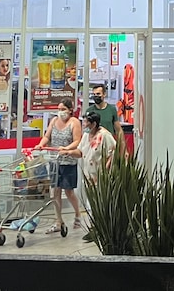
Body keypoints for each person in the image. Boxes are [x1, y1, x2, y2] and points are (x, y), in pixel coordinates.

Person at [33, 98, 83, 233]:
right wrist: (41, 144)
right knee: (55, 192)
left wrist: (66, 149)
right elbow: (47, 136)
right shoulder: (54, 121)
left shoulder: (74, 122)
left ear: (70, 110)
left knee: (68, 191)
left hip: (68, 161)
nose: (60, 112)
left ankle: (77, 213)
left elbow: (77, 141)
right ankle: (58, 221)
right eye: (59, 109)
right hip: (54, 161)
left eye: (63, 109)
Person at [85, 83, 124, 158]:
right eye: (94, 94)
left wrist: (123, 150)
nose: (96, 96)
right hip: (94, 148)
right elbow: (86, 131)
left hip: (109, 146)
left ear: (104, 94)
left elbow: (119, 131)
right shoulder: (89, 111)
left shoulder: (111, 110)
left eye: (98, 94)